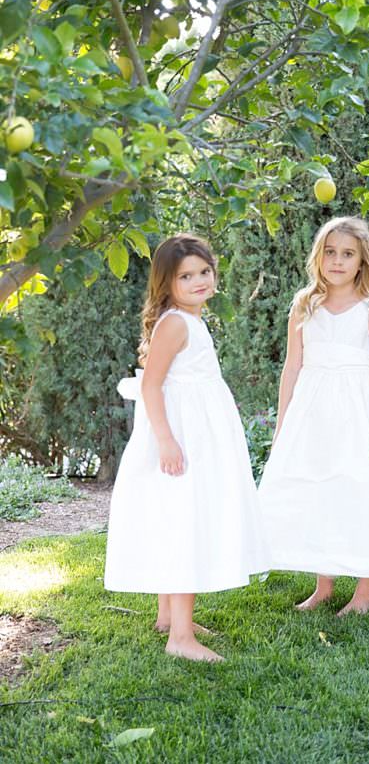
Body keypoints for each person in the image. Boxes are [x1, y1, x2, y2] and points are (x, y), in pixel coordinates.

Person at [104, 234, 269, 661]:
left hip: (197, 433)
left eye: (204, 272)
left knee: (178, 518)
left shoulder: (188, 320)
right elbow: (153, 384)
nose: (199, 281)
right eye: (185, 276)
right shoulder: (176, 323)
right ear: (167, 283)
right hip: (181, 438)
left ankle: (168, 616)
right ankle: (180, 638)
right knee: (186, 523)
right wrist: (166, 441)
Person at [258, 216, 369, 615]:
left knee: (360, 493)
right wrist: (283, 423)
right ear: (318, 256)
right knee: (319, 491)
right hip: (313, 410)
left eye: (347, 254)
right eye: (330, 252)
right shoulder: (304, 305)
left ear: (362, 262)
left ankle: (365, 592)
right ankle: (323, 585)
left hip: (357, 411)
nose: (338, 261)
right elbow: (292, 367)